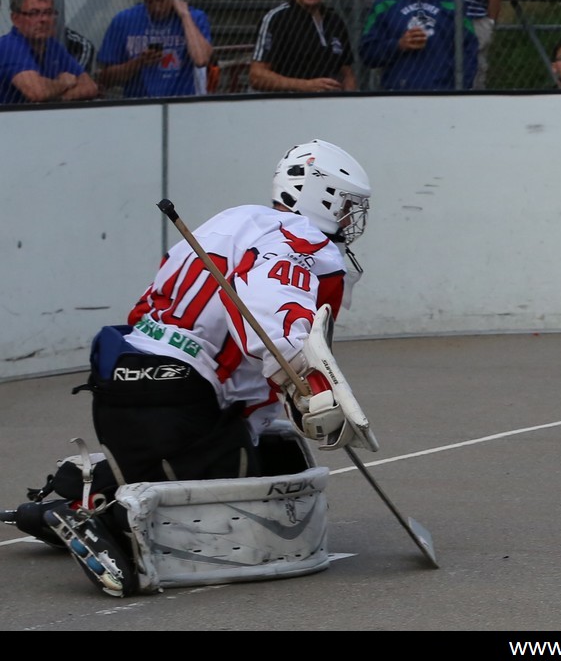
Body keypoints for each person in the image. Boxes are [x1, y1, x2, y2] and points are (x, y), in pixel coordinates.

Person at [7, 140, 372, 596]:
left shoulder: (236, 219)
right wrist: (310, 381)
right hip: (178, 397)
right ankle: (104, 520)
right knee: (240, 480)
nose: (349, 219)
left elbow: (148, 307)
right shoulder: (302, 241)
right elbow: (272, 310)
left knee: (241, 450)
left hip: (125, 382)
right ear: (320, 194)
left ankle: (70, 500)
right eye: (346, 206)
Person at [96, 0, 213, 98]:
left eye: (161, 0)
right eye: (149, 1)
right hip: (139, 101)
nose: (157, 7)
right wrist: (138, 63)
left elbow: (201, 59)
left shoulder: (194, 18)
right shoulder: (124, 21)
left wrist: (185, 16)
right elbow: (104, 79)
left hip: (182, 101)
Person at [249, 0, 357, 94]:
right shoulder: (277, 19)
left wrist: (350, 100)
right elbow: (257, 76)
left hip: (330, 104)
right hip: (288, 104)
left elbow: (347, 74)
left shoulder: (335, 22)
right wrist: (305, 86)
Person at [0, 0, 98, 103]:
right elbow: (37, 92)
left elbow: (90, 87)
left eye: (48, 12)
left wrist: (56, 96)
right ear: (15, 19)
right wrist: (64, 83)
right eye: (34, 13)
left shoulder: (53, 46)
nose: (44, 19)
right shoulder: (8, 46)